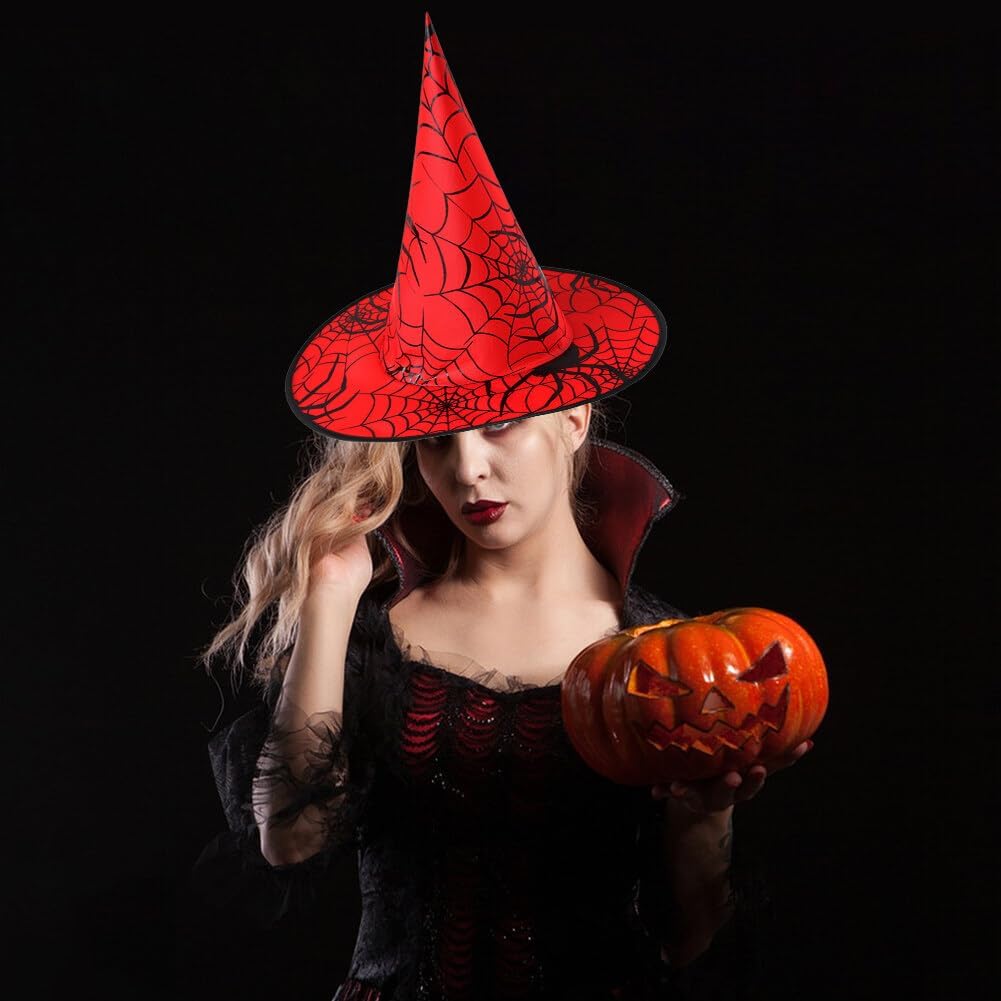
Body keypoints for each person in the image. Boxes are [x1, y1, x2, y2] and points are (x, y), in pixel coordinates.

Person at [185, 15, 813, 1000]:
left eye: (501, 426)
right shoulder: (373, 637)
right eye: (436, 439)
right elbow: (290, 837)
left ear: (573, 416)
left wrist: (703, 814)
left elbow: (688, 941)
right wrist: (328, 597)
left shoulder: (663, 660)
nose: (467, 468)